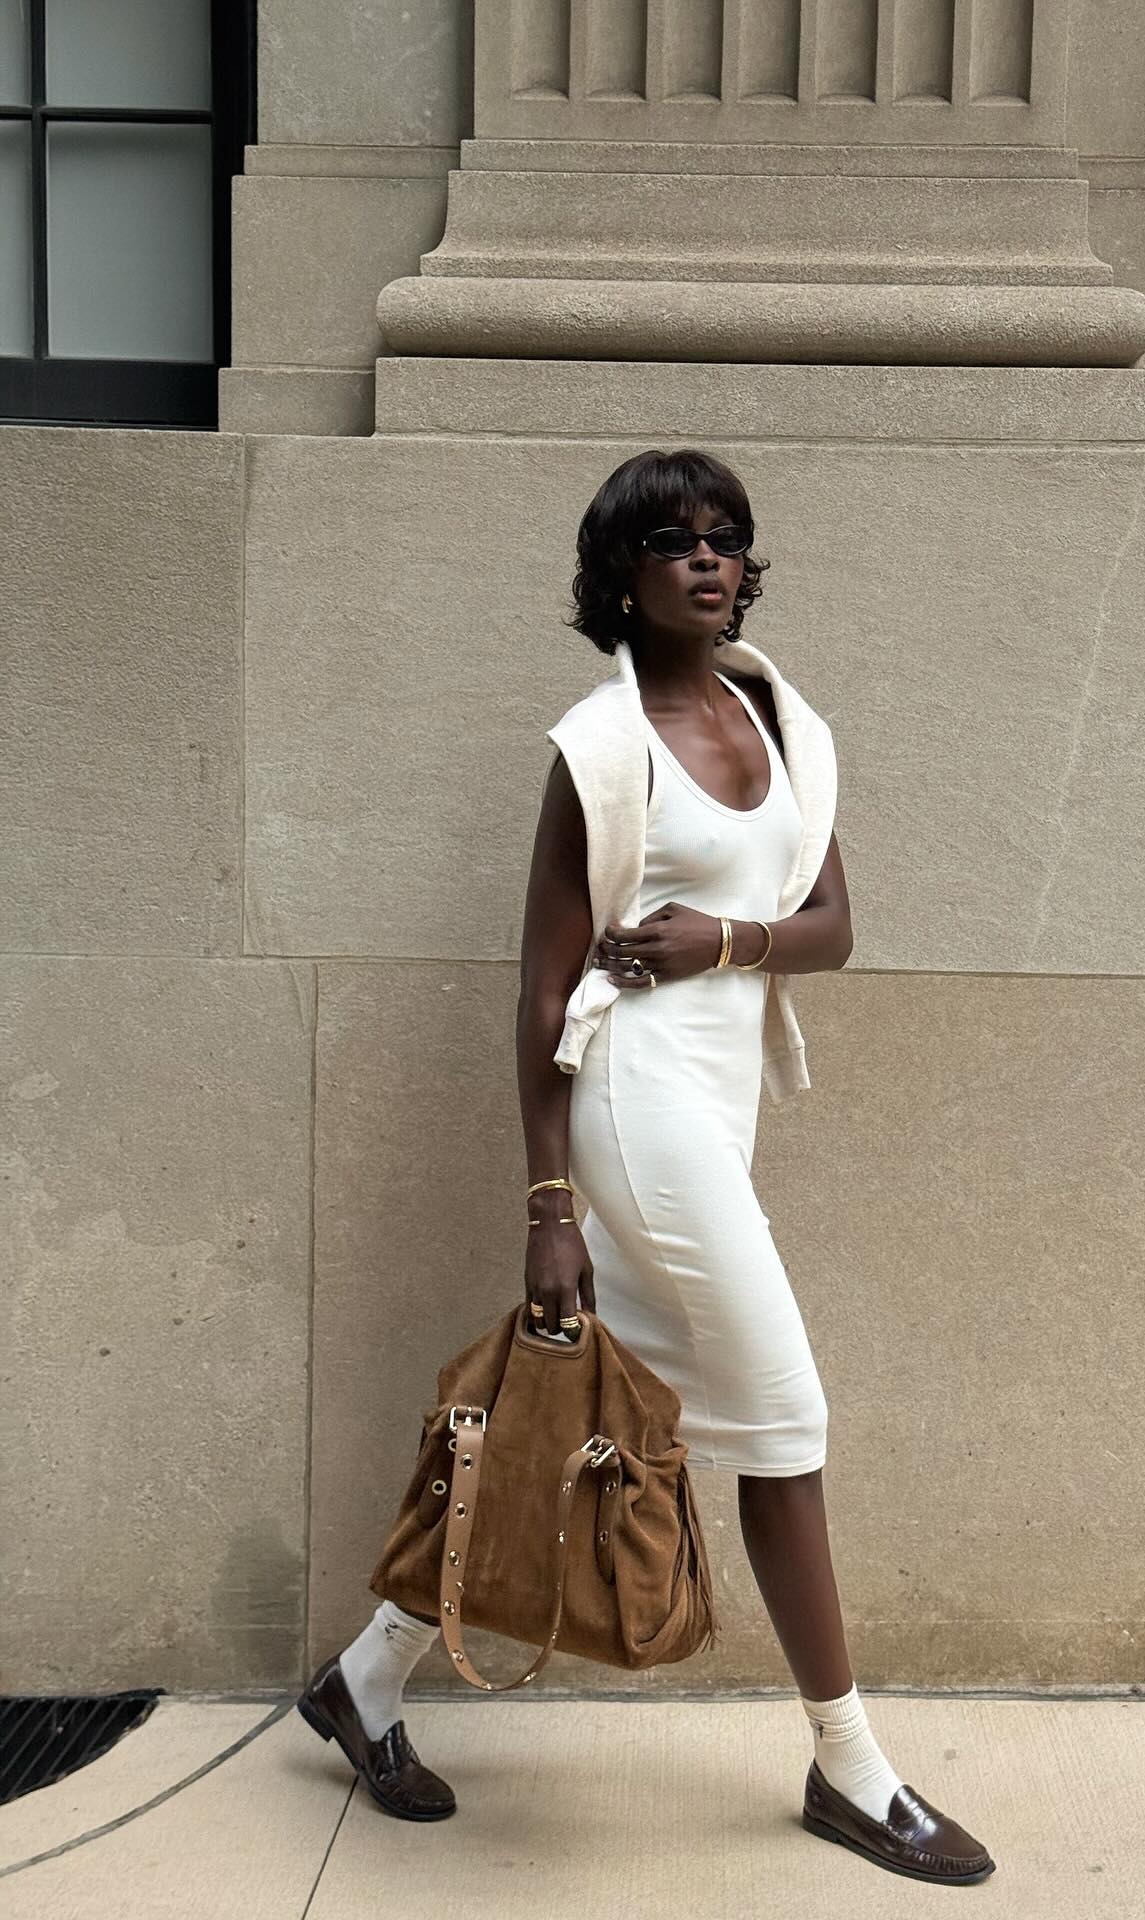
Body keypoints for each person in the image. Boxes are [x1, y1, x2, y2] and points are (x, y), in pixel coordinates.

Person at [297, 449, 995, 1887]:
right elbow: (541, 993)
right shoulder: (599, 752)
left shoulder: (779, 717)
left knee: (559, 1400)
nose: (708, 559)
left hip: (718, 1099)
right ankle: (852, 1770)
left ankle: (363, 1680)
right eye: (673, 541)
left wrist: (723, 941)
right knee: (785, 1419)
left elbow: (835, 923)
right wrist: (547, 1201)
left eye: (726, 538)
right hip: (632, 1105)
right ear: (621, 575)